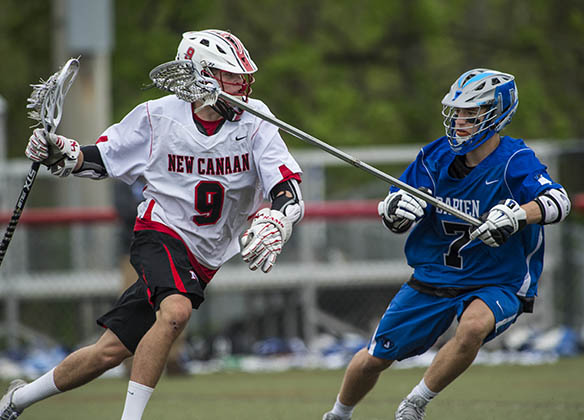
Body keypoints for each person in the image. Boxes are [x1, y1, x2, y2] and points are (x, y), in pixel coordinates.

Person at [1, 29, 304, 420]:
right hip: (160, 231)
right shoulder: (157, 116)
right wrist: (61, 150)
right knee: (176, 312)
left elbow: (286, 187)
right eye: (229, 76)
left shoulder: (256, 120)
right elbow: (102, 158)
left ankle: (16, 400)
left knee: (108, 352)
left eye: (241, 77)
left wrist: (279, 217)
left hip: (203, 257)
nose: (240, 85)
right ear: (202, 75)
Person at [322, 68, 571, 420]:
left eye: (471, 114)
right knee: (375, 358)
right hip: (433, 276)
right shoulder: (434, 157)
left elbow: (558, 201)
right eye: (457, 113)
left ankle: (414, 404)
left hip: (498, 279)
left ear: (497, 114)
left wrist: (518, 215)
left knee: (473, 327)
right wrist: (394, 210)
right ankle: (337, 414)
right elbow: (397, 209)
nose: (459, 122)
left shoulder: (515, 160)